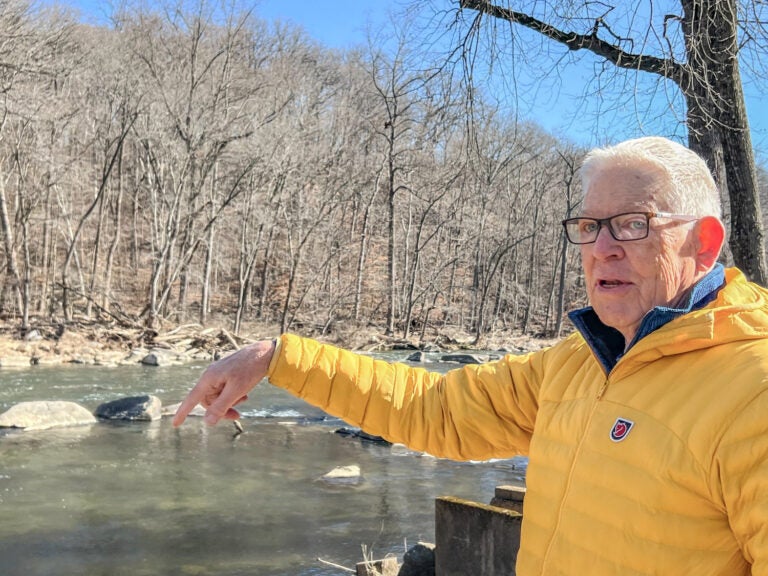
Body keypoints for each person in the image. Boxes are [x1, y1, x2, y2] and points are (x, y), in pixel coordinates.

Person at [173, 136, 768, 575]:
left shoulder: (753, 386)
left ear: (704, 241)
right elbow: (440, 410)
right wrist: (279, 357)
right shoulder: (576, 363)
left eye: (633, 224)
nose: (602, 248)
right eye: (588, 226)